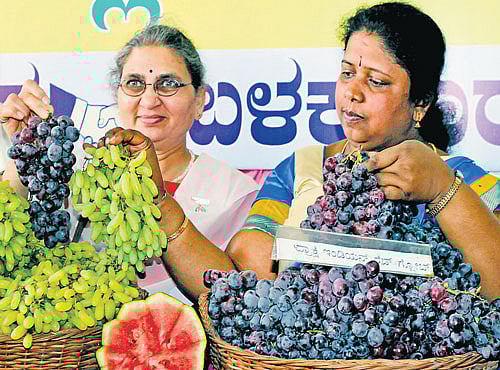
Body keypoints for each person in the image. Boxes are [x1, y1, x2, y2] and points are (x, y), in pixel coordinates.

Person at [94, 2, 500, 303]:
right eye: (346, 73)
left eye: (376, 81)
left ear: (421, 103)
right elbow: (237, 280)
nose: (352, 92)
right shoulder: (301, 168)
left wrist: (443, 190)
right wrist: (161, 205)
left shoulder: (461, 174)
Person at [0, 24, 260, 304]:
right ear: (118, 96)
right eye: (135, 83)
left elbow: (238, 302)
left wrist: (158, 200)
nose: (149, 99)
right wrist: (23, 154)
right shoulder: (78, 181)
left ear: (199, 101)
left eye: (169, 83)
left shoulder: (233, 192)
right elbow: (21, 262)